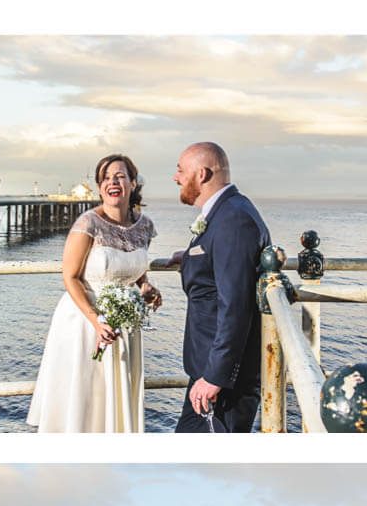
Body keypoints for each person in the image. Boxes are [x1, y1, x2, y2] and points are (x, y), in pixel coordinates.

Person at [27, 155, 162, 433]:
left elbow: (134, 265)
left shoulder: (144, 226)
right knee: (84, 398)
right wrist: (95, 320)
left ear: (133, 183)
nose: (113, 181)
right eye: (106, 178)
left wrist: (144, 285)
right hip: (85, 322)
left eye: (120, 176)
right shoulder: (88, 223)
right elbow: (71, 276)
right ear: (100, 188)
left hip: (124, 324)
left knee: (113, 400)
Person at [170, 142, 271, 432]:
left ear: (201, 174)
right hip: (209, 371)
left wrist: (215, 377)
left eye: (180, 170)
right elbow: (221, 264)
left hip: (222, 382)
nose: (175, 178)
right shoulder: (226, 211)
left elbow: (235, 304)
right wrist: (188, 256)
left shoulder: (233, 219)